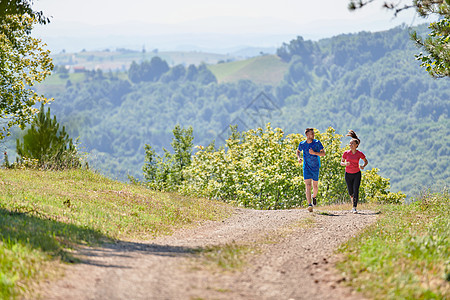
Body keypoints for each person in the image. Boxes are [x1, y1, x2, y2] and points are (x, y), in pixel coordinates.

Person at [296, 128, 325, 212]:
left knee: (315, 186)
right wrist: (299, 158)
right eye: (312, 133)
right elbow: (298, 151)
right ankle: (309, 205)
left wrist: (314, 153)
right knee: (308, 186)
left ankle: (314, 196)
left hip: (315, 167)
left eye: (313, 133)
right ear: (307, 135)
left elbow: (323, 153)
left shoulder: (317, 143)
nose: (313, 135)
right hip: (306, 167)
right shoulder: (302, 144)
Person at [341, 130, 368, 214]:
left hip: (357, 174)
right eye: (350, 143)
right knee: (350, 192)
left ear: (356, 145)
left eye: (352, 143)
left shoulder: (359, 154)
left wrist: (363, 166)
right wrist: (345, 163)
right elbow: (341, 162)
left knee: (356, 190)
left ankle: (354, 207)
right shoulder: (346, 153)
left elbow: (366, 161)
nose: (350, 145)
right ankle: (353, 203)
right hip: (348, 174)